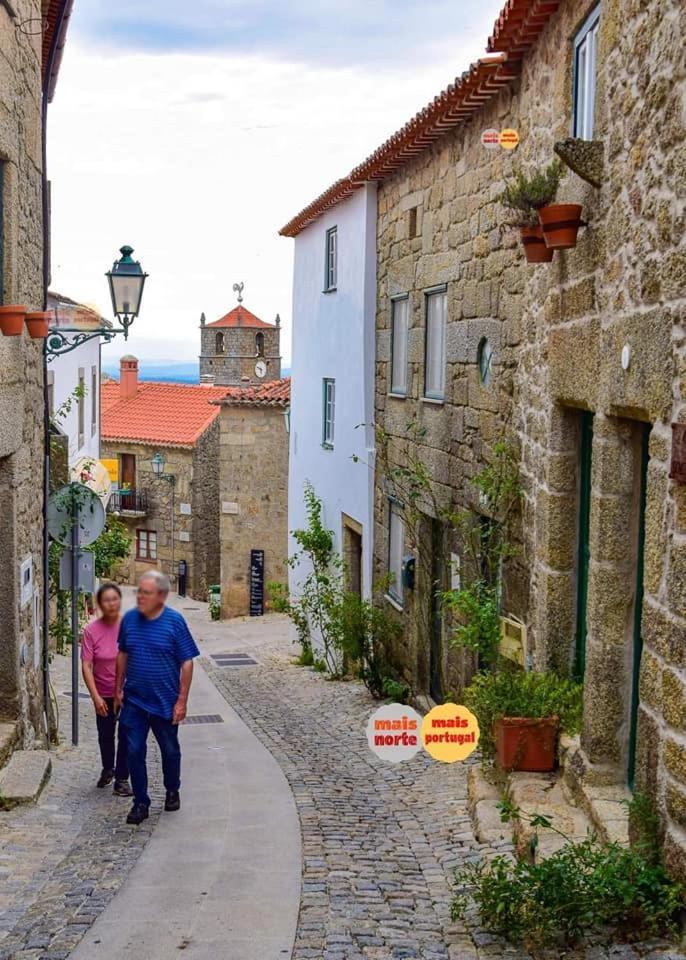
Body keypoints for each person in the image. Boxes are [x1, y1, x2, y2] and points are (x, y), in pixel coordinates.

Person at [114, 570, 200, 825]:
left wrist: (182, 700)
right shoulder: (129, 620)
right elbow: (123, 654)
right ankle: (140, 802)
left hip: (165, 700)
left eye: (146, 593)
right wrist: (118, 688)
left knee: (170, 751)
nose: (140, 596)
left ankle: (172, 788)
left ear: (161, 596)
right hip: (135, 701)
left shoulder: (175, 622)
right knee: (134, 750)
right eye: (139, 591)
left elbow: (186, 662)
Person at [81, 582, 132, 797]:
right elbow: (86, 665)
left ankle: (122, 778)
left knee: (127, 735)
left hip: (128, 692)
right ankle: (107, 768)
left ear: (120, 601)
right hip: (103, 692)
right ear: (100, 604)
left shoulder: (129, 626)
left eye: (115, 599)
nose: (111, 604)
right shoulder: (91, 631)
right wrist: (95, 697)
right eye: (106, 600)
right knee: (105, 734)